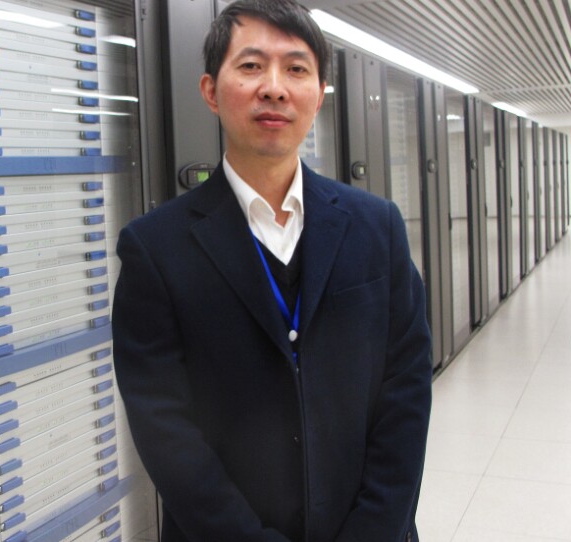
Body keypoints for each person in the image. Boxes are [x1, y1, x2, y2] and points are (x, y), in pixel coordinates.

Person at [111, 1, 433, 541]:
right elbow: (164, 428)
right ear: (211, 91)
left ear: (320, 93)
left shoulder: (377, 227)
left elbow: (405, 393)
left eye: (297, 68)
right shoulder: (155, 248)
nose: (275, 88)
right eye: (252, 66)